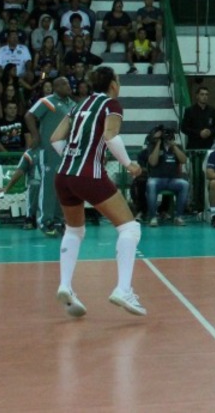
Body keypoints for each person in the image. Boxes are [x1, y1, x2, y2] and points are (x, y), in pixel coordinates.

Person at [49, 66, 145, 317]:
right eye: (118, 80)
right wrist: (129, 164)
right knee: (129, 228)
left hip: (63, 175)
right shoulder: (111, 105)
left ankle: (65, 285)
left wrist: (74, 157)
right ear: (112, 84)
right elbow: (111, 136)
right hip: (88, 175)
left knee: (74, 230)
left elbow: (55, 139)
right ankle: (123, 289)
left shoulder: (79, 105)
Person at [24, 77, 74, 235]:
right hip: (48, 151)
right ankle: (45, 222)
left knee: (62, 186)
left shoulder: (72, 104)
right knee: (49, 186)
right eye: (64, 84)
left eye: (68, 83)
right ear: (56, 87)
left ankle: (59, 220)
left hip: (65, 152)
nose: (68, 86)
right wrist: (35, 135)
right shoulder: (47, 101)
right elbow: (29, 115)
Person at [138, 126, 188, 227]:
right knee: (151, 184)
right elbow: (153, 162)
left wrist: (174, 146)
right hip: (157, 179)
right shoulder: (153, 146)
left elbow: (184, 160)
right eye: (165, 136)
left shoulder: (177, 147)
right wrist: (158, 143)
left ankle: (179, 217)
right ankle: (153, 217)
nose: (167, 138)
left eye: (169, 136)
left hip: (173, 180)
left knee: (185, 184)